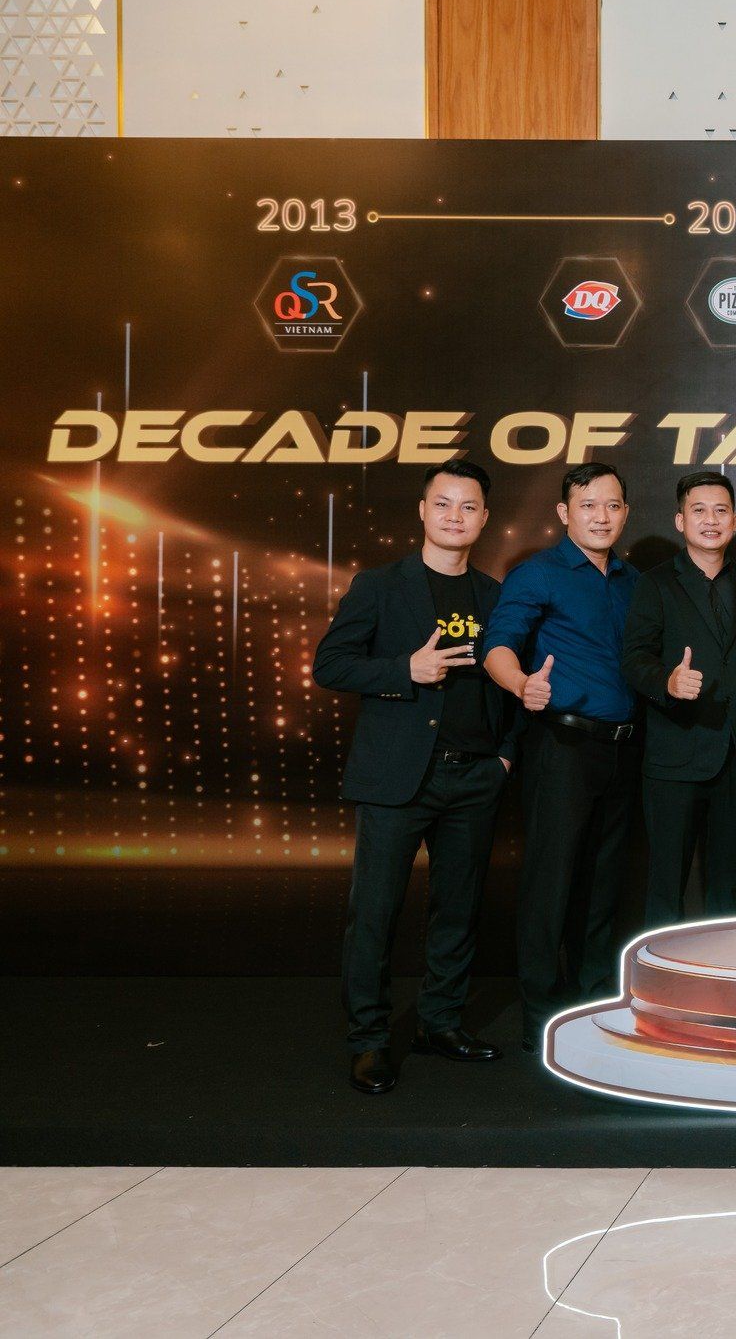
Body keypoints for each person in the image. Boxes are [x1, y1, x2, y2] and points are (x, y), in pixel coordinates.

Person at [313, 460, 517, 1095]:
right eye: (444, 503)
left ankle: (440, 1022)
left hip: (474, 778)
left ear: (484, 518)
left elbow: (513, 680)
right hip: (397, 778)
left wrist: (504, 756)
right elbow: (331, 664)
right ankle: (369, 1040)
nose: (456, 516)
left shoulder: (495, 596)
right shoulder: (379, 586)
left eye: (468, 506)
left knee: (458, 911)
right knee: (375, 915)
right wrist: (405, 670)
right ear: (423, 511)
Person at [482, 462, 639, 1054]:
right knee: (551, 882)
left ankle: (594, 1000)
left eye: (612, 505)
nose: (601, 517)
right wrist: (521, 684)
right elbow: (496, 645)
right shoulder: (538, 573)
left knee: (604, 883)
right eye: (588, 505)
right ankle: (543, 1011)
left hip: (623, 748)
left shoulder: (633, 580)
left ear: (625, 513)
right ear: (563, 513)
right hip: (561, 746)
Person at [621, 471, 736, 925]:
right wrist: (667, 682)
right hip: (676, 752)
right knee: (666, 881)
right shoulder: (655, 584)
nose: (711, 520)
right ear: (680, 520)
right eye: (699, 510)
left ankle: (720, 969)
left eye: (720, 511)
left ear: (735, 520)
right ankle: (660, 968)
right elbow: (634, 658)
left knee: (729, 883)